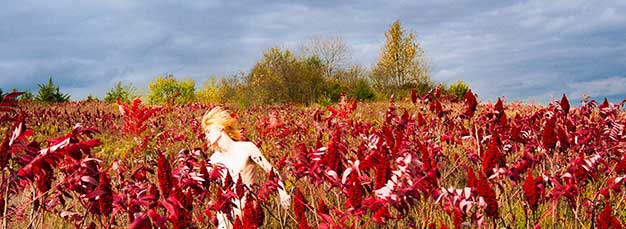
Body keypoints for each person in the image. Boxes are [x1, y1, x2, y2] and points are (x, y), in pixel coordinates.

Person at [202, 106, 291, 228]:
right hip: (225, 216)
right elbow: (202, 185)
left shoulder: (247, 148)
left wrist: (283, 192)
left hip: (249, 212)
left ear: (220, 128)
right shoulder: (213, 159)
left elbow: (271, 171)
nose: (206, 136)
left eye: (208, 131)